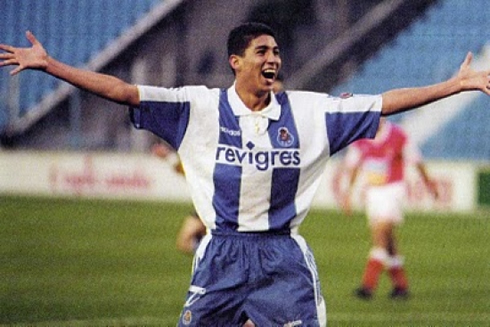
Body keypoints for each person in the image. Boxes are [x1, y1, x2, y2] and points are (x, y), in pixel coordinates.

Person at [1, 22, 489, 326]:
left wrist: (455, 84)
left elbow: (384, 102)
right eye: (262, 52)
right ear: (237, 62)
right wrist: (52, 66)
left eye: (276, 52)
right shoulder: (197, 108)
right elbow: (125, 92)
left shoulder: (310, 112)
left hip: (283, 257)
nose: (273, 58)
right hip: (221, 254)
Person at [340, 118, 439, 300]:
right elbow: (353, 166)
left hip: (393, 190)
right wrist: (348, 193)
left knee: (381, 233)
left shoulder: (398, 135)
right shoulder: (360, 136)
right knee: (388, 241)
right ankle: (401, 286)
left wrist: (429, 184)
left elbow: (416, 161)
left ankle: (367, 285)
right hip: (372, 194)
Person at [151, 141, 207, 255]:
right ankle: (212, 254)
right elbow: (184, 170)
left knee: (185, 241)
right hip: (203, 206)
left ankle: (214, 255)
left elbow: (184, 170)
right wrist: (168, 156)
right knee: (184, 242)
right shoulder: (203, 166)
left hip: (214, 207)